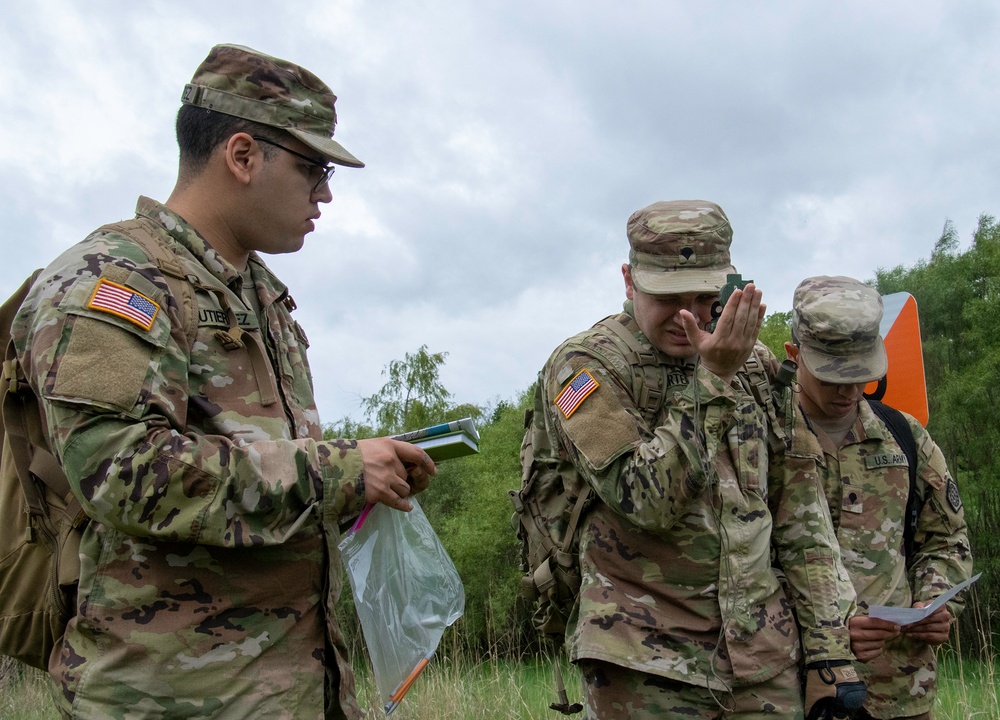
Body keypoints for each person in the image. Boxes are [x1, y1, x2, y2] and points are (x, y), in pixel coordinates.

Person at [11, 44, 435, 719]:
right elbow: (120, 471)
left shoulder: (260, 294)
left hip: (289, 687)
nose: (324, 193)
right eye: (313, 167)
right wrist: (335, 473)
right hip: (167, 697)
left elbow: (260, 460)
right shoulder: (114, 280)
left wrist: (362, 474)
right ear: (242, 156)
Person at [534, 200, 862, 719]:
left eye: (705, 296)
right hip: (644, 661)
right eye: (667, 297)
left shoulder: (757, 367)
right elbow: (642, 500)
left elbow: (801, 516)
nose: (687, 314)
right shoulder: (582, 371)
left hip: (764, 660)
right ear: (628, 281)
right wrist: (713, 380)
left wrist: (829, 655)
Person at [785, 276, 973, 720]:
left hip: (900, 691)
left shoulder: (904, 436)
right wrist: (834, 630)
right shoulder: (763, 438)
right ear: (796, 357)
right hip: (797, 688)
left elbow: (947, 538)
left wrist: (935, 602)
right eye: (833, 376)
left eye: (863, 374)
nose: (849, 391)